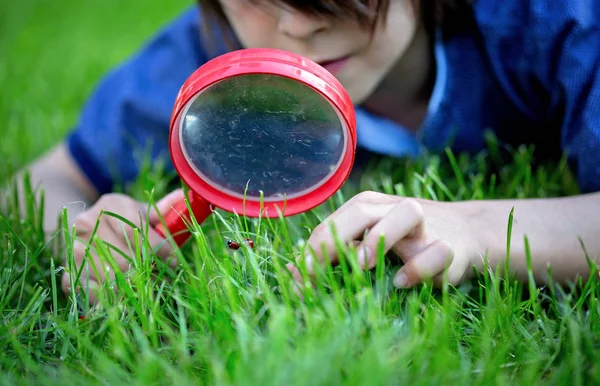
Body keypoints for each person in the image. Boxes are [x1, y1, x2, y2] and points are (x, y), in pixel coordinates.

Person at [13, 0, 600, 303]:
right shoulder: (203, 57)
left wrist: (477, 229)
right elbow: (36, 183)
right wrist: (87, 233)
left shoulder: (550, 20)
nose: (296, 27)